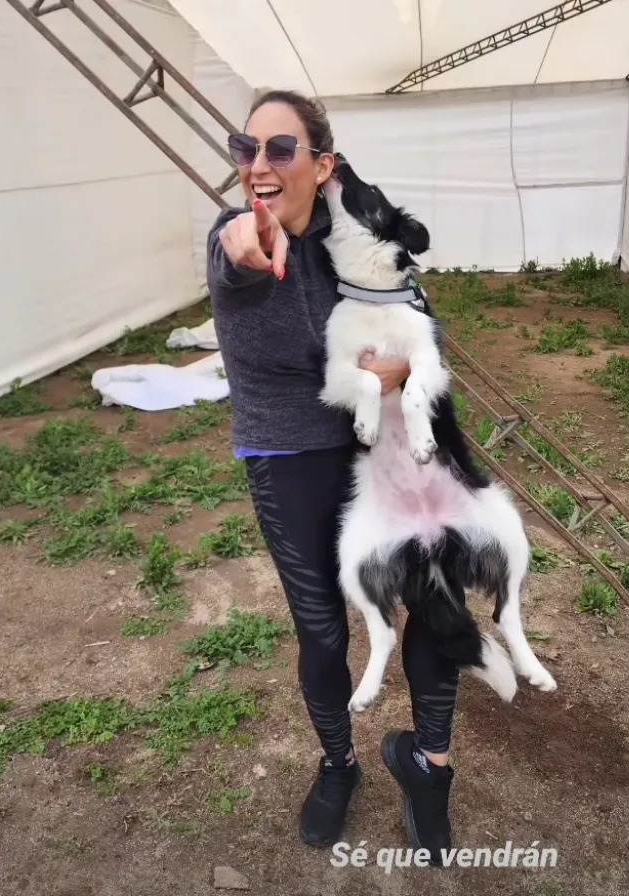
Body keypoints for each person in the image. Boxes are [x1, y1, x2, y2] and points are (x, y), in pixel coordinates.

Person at [206, 89, 457, 863]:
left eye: (280, 149)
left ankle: (430, 767)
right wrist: (254, 241)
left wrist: (409, 366)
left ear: (324, 164)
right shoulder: (234, 235)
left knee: (437, 608)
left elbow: (417, 318)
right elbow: (242, 255)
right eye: (244, 149)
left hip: (376, 446)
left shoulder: (356, 232)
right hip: (288, 456)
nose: (258, 165)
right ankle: (339, 764)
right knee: (322, 631)